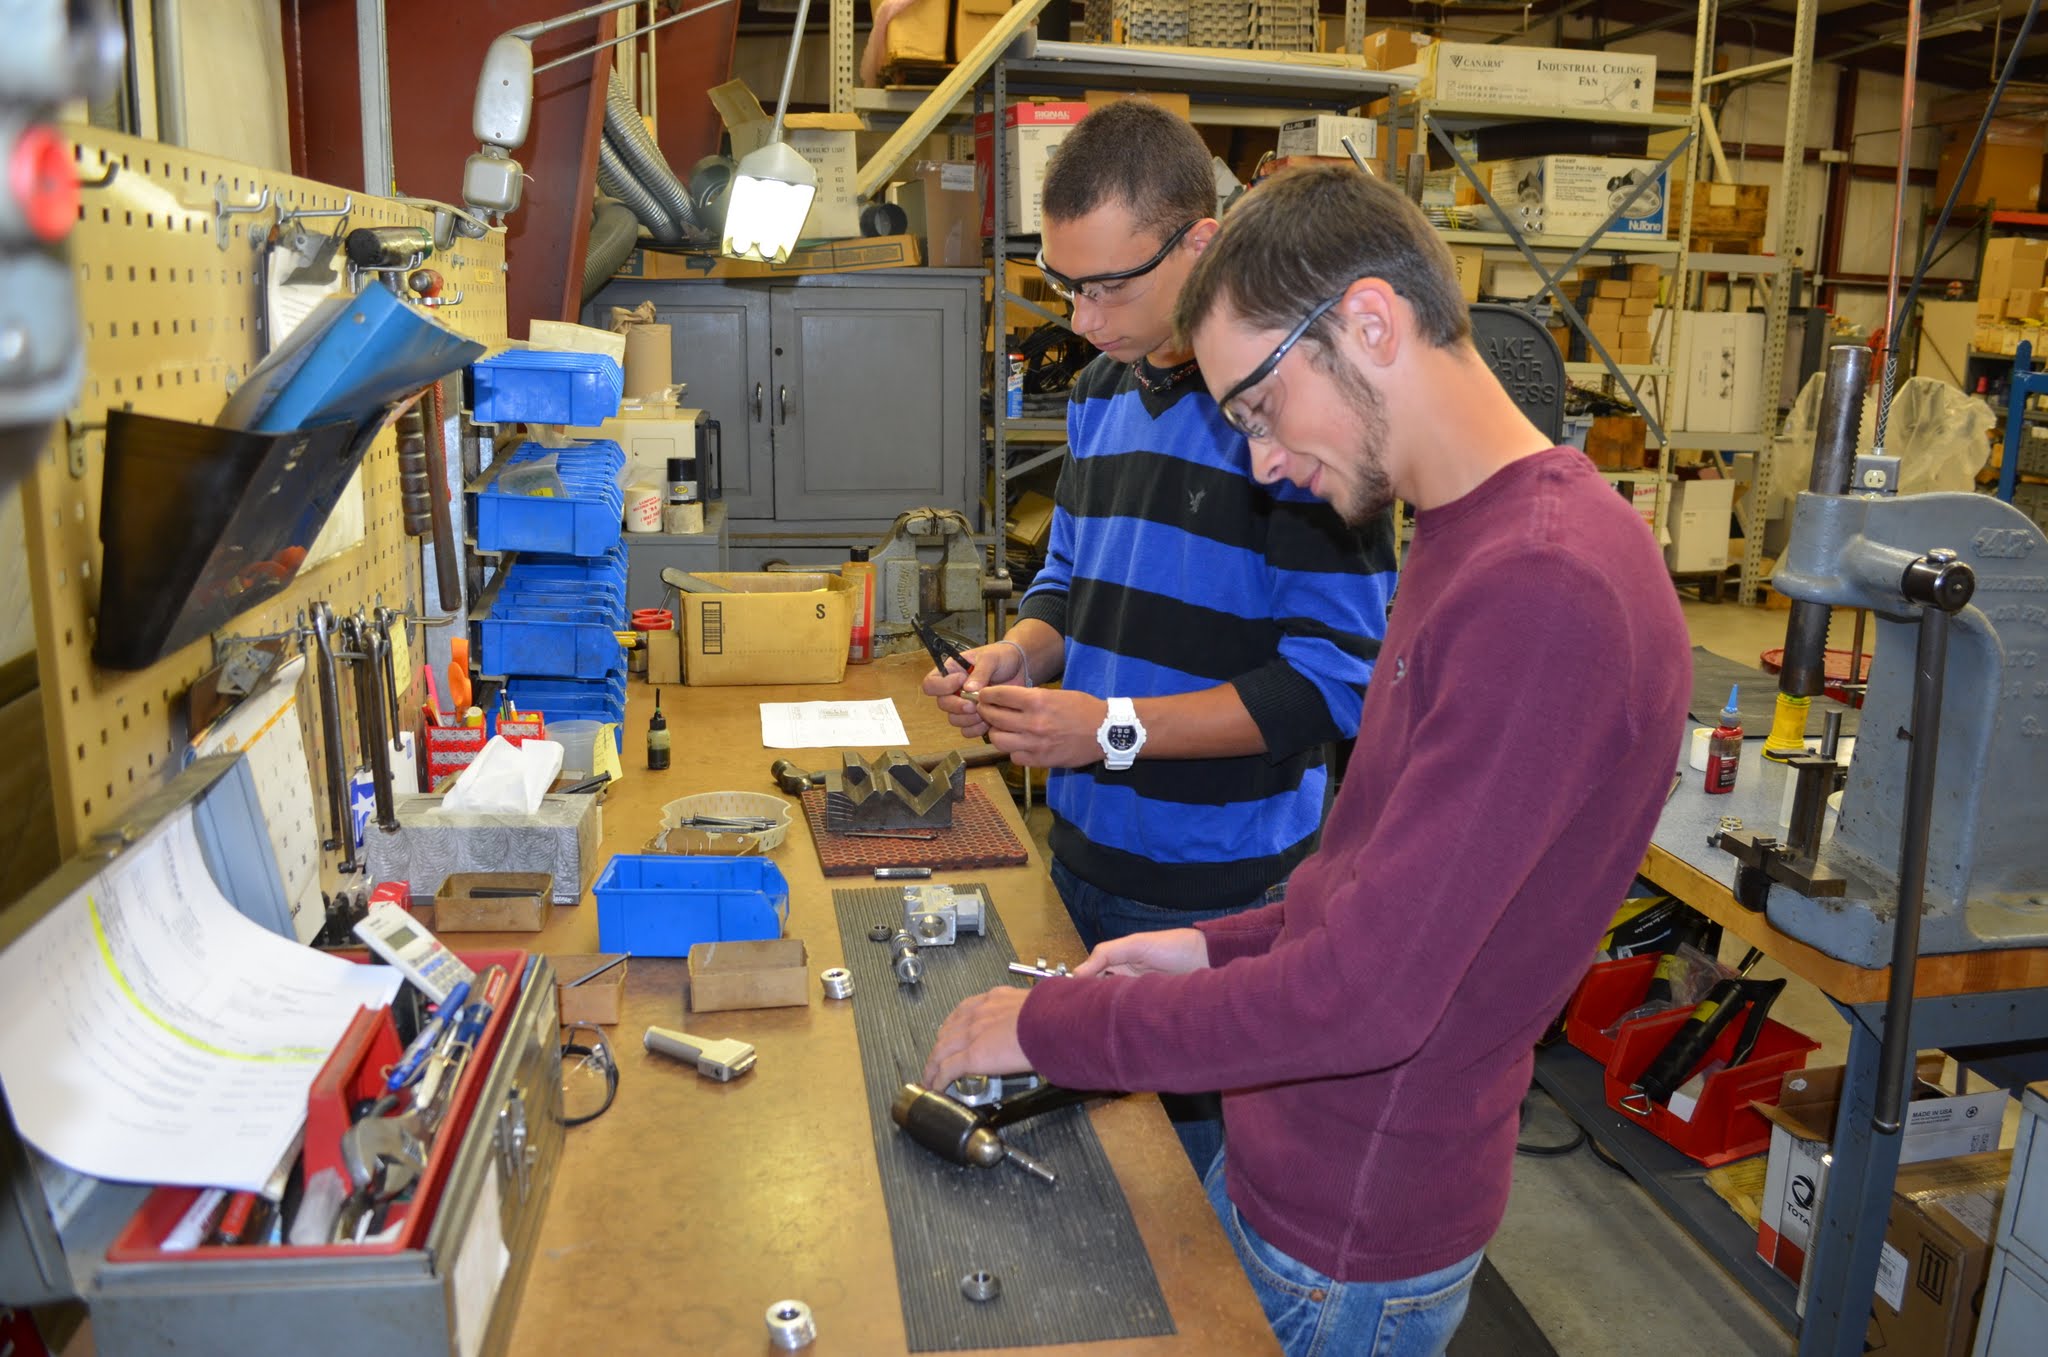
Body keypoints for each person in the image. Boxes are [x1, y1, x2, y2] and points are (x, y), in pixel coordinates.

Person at [923, 165, 1691, 1357]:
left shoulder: (1545, 588)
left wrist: (1052, 1028)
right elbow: (1370, 881)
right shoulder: (1461, 531)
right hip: (1293, 1158)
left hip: (1349, 1233)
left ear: (1369, 321)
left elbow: (1368, 997)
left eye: (1259, 411)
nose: (1262, 463)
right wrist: (1208, 944)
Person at [922, 101, 1396, 1168]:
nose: (1082, 321)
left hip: (1222, 897)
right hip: (1081, 854)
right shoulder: (1098, 393)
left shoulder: (1289, 422)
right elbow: (1068, 581)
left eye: (1107, 287)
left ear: (1198, 241)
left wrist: (1111, 729)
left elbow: (1335, 685)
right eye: (1063, 286)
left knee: (1192, 1208)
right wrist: (1017, 656)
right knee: (1098, 1170)